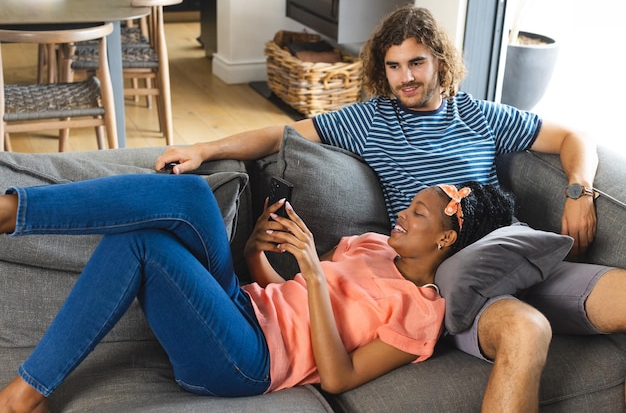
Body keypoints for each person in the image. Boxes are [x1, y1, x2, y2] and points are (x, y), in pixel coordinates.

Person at [155, 4, 626, 412]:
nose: (406, 77)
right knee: (527, 330)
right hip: (451, 279)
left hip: (515, 250)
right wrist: (205, 148)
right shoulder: (371, 119)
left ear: (439, 61)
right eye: (395, 66)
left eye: (416, 62)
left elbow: (573, 136)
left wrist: (579, 190)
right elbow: (284, 134)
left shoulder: (482, 115)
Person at [0, 174, 514, 412]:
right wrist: (254, 257)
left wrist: (314, 271)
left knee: (140, 244)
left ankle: (23, 395)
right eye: (410, 204)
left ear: (446, 240)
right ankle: (10, 211)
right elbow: (286, 299)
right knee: (193, 193)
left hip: (247, 362)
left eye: (418, 214)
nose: (402, 213)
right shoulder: (372, 245)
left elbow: (337, 377)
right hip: (241, 308)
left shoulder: (420, 313)